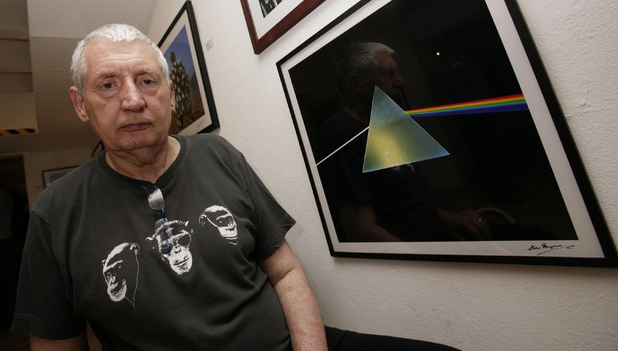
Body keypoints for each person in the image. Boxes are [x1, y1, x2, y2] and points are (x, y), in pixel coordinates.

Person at [11, 25, 460, 351]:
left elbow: (284, 271)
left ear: (170, 93)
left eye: (147, 81)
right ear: (80, 104)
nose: (132, 99)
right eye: (107, 85)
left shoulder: (219, 155)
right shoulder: (55, 213)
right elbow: (57, 343)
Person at [319, 42, 493, 242]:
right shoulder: (339, 131)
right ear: (356, 84)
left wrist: (449, 218)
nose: (401, 82)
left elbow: (410, 204)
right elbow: (361, 230)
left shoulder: (388, 121)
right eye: (389, 73)